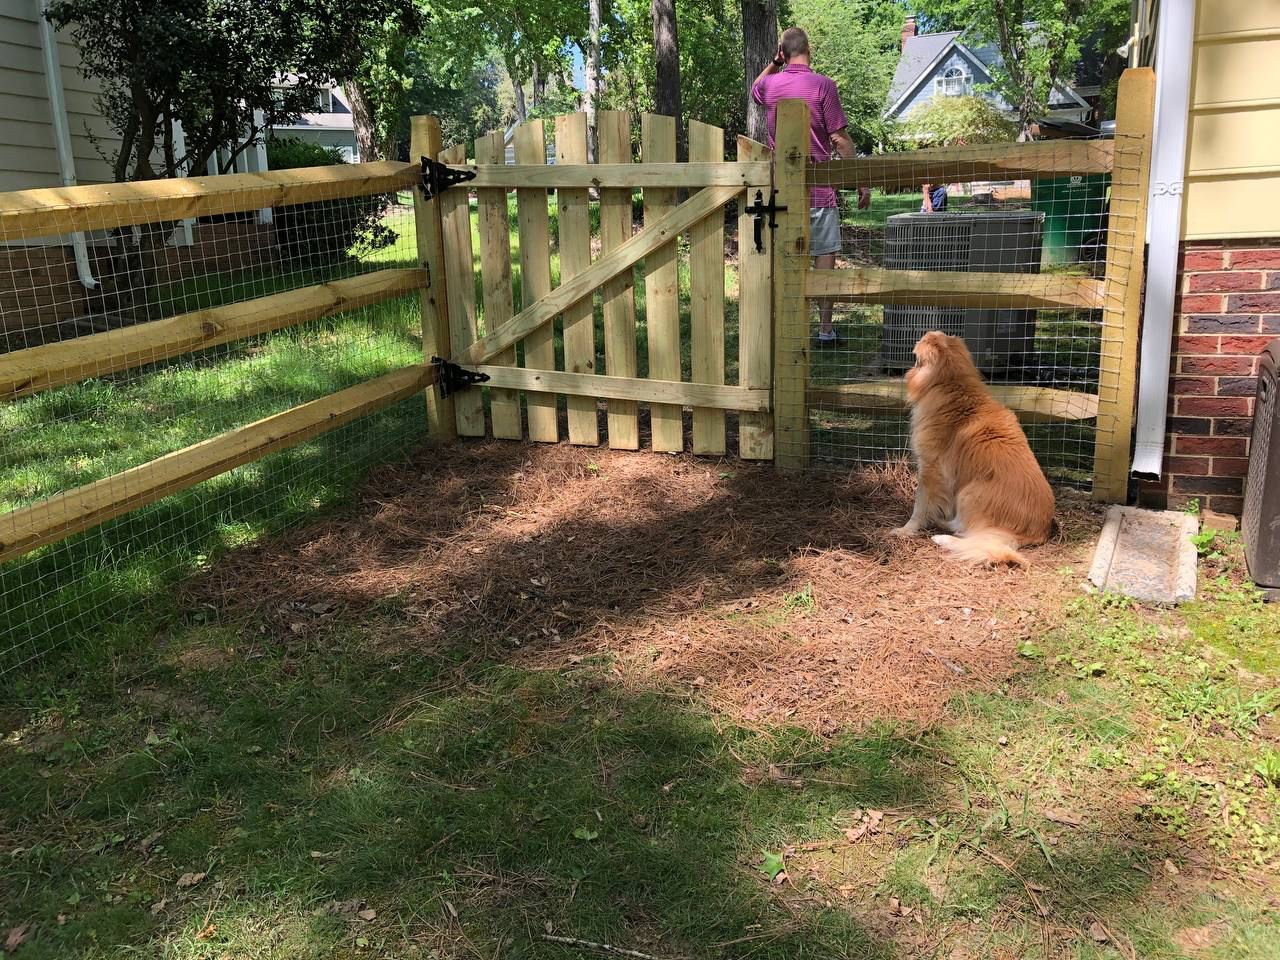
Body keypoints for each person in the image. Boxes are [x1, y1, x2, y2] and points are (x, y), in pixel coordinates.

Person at [752, 27, 870, 349]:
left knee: (788, 257)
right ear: (810, 48)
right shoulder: (824, 86)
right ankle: (825, 330)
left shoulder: (771, 84)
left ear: (782, 51)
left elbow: (754, 90)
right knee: (824, 256)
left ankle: (787, 328)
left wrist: (774, 63)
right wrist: (861, 181)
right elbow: (840, 140)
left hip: (783, 193)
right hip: (819, 192)